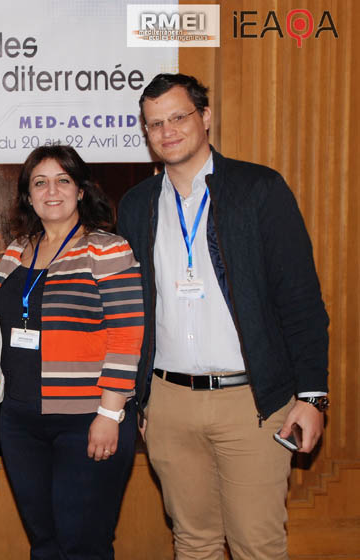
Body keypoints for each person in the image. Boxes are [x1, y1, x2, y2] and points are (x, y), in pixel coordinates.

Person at [117, 73, 330, 559]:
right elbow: (132, 310)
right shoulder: (136, 205)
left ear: (206, 117)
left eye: (178, 117)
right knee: (193, 543)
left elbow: (300, 301)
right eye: (155, 124)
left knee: (257, 545)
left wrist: (312, 396)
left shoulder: (258, 189)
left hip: (252, 403)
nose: (167, 131)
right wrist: (142, 401)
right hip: (169, 403)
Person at [0, 145, 144, 559]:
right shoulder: (15, 251)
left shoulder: (106, 249)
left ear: (81, 190)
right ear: (28, 195)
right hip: (20, 420)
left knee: (83, 544)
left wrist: (110, 414)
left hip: (87, 419)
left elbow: (127, 334)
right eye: (40, 182)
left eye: (62, 180)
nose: (51, 191)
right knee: (45, 543)